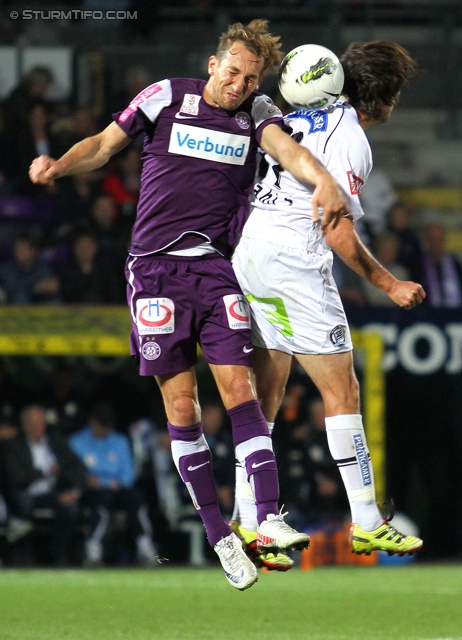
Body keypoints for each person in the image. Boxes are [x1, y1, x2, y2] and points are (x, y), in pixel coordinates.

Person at [29, 19, 349, 590]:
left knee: (239, 390)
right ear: (212, 64)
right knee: (182, 408)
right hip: (153, 271)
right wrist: (57, 164)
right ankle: (220, 534)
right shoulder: (166, 96)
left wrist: (322, 180)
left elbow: (287, 150)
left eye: (250, 79)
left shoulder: (257, 113)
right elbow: (104, 146)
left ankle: (267, 517)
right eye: (233, 73)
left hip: (214, 268)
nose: (239, 86)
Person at [232, 40, 426, 565]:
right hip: (293, 261)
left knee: (267, 388)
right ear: (383, 96)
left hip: (251, 251)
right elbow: (336, 227)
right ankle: (367, 521)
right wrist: (390, 285)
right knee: (343, 390)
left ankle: (249, 520)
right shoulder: (351, 138)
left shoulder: (305, 115)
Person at [69, 402, 159, 567]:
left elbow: (128, 474)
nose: (104, 430)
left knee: (137, 499)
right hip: (93, 492)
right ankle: (93, 549)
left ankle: (145, 546)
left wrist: (110, 482)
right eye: (101, 425)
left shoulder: (120, 441)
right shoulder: (77, 442)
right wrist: (92, 481)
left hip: (118, 488)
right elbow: (77, 473)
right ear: (92, 422)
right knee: (100, 503)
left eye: (107, 426)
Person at [1, 404, 86, 566]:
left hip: (51, 493)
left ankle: (59, 556)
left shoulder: (56, 442)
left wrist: (74, 491)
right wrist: (45, 472)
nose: (36, 426)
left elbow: (77, 467)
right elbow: (14, 477)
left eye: (40, 422)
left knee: (69, 508)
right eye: (32, 422)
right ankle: (24, 555)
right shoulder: (13, 446)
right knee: (23, 505)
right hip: (24, 493)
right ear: (24, 425)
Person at [418, 222, 462, 308]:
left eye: (439, 239)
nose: (436, 243)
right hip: (427, 316)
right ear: (427, 240)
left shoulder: (455, 264)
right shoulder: (418, 265)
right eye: (433, 239)